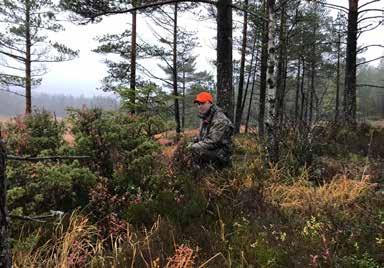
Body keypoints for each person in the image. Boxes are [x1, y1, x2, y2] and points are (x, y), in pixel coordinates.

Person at [189, 91, 234, 168]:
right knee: (191, 149)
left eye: (202, 103)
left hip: (221, 155)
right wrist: (192, 142)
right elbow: (202, 137)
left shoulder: (220, 119)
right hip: (212, 150)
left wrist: (193, 146)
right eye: (198, 104)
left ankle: (203, 174)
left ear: (210, 103)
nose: (200, 106)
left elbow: (213, 142)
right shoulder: (206, 117)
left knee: (195, 150)